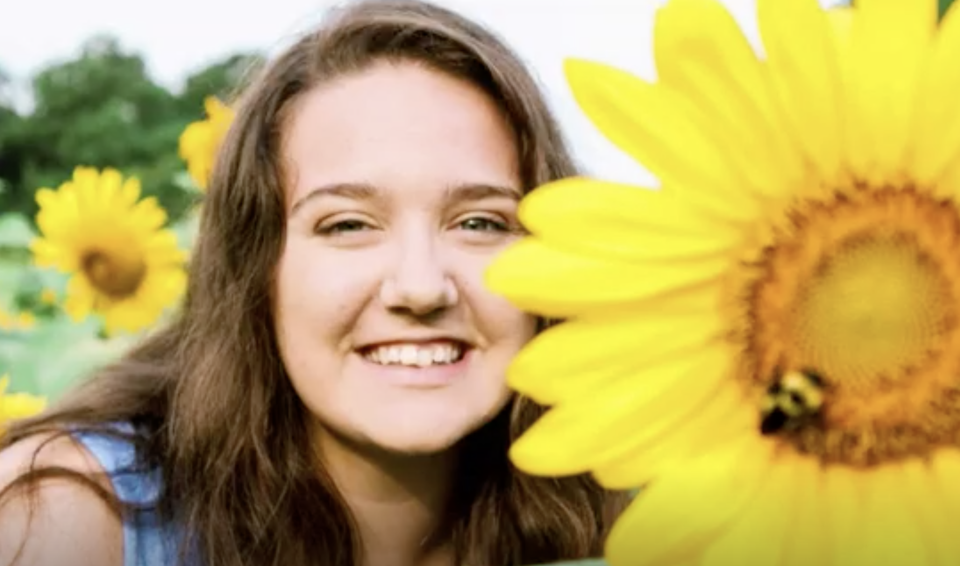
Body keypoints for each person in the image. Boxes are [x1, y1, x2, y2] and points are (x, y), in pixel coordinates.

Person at [0, 1, 629, 565]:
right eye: (349, 224)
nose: (420, 286)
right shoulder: (67, 518)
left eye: (480, 222)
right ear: (257, 267)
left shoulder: (641, 514)